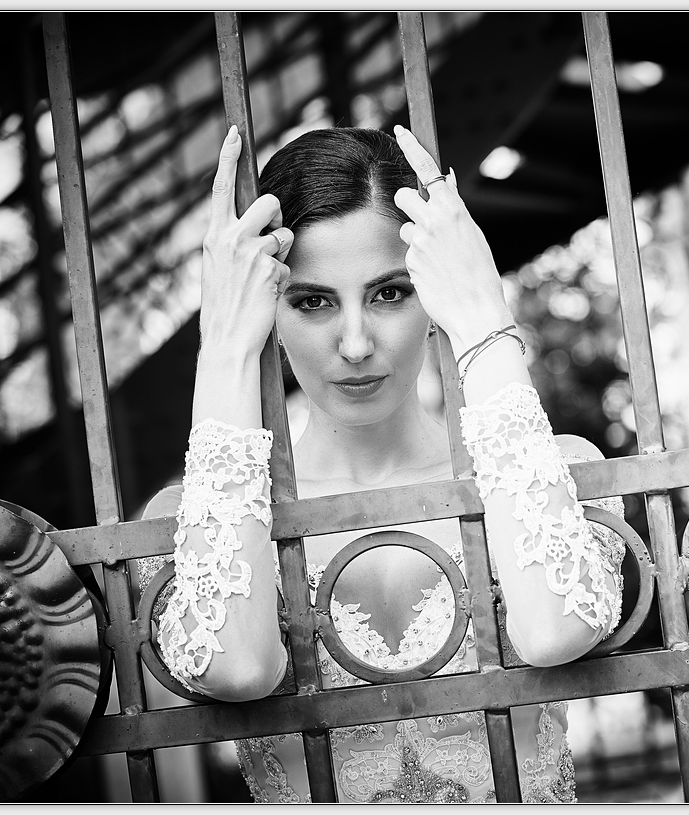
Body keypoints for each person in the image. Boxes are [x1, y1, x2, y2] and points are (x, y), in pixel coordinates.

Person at [138, 124, 625, 803]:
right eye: (312, 302)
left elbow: (554, 631)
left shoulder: (553, 474)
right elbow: (235, 667)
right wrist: (223, 349)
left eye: (389, 292)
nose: (356, 343)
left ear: (433, 291)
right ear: (267, 309)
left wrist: (482, 316)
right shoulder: (191, 523)